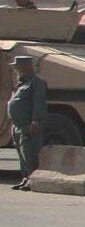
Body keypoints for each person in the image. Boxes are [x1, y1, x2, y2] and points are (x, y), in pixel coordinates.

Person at [9, 55, 48, 189]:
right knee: (22, 154)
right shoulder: (22, 83)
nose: (15, 69)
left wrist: (35, 121)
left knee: (30, 153)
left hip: (28, 125)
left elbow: (39, 102)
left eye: (17, 67)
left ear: (25, 67)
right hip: (17, 125)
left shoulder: (36, 82)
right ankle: (25, 178)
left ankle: (33, 179)